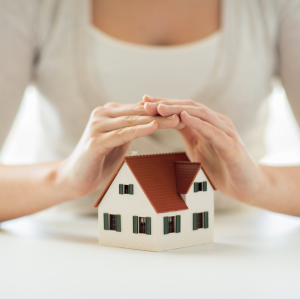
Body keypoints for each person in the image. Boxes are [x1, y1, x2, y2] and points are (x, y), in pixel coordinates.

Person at [0, 0, 300, 221]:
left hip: (243, 245)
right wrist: (62, 179)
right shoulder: (30, 7)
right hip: (60, 243)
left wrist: (261, 186)